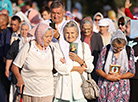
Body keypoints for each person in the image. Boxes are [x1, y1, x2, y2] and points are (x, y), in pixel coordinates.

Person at [11, 22, 54, 102]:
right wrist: (19, 79)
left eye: (51, 36)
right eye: (46, 36)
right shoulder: (28, 47)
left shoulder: (51, 49)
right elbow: (14, 67)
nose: (49, 39)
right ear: (39, 35)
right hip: (28, 92)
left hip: (47, 93)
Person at [53, 20, 94, 102]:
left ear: (77, 33)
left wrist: (79, 60)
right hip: (63, 91)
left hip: (80, 90)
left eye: (72, 33)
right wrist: (77, 68)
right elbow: (58, 67)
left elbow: (90, 68)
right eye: (67, 33)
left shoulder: (84, 46)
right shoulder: (58, 46)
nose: (70, 35)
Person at [96, 29, 135, 102]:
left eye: (120, 48)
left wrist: (119, 76)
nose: (118, 50)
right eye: (115, 47)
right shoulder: (106, 49)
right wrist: (107, 76)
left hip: (122, 88)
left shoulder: (129, 51)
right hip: (106, 87)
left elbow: (132, 72)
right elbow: (98, 69)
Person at [5, 22, 31, 102]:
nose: (24, 32)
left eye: (26, 30)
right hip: (16, 72)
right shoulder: (16, 43)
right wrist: (7, 69)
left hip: (28, 73)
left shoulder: (32, 43)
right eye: (22, 30)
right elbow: (10, 56)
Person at [81, 16, 103, 83]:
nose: (86, 31)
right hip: (82, 64)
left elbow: (101, 51)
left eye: (88, 29)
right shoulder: (79, 36)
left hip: (94, 64)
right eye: (84, 29)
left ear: (92, 28)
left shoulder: (97, 36)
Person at [126, 20, 138, 102]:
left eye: (127, 27)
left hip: (136, 77)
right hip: (125, 77)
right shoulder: (125, 40)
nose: (125, 29)